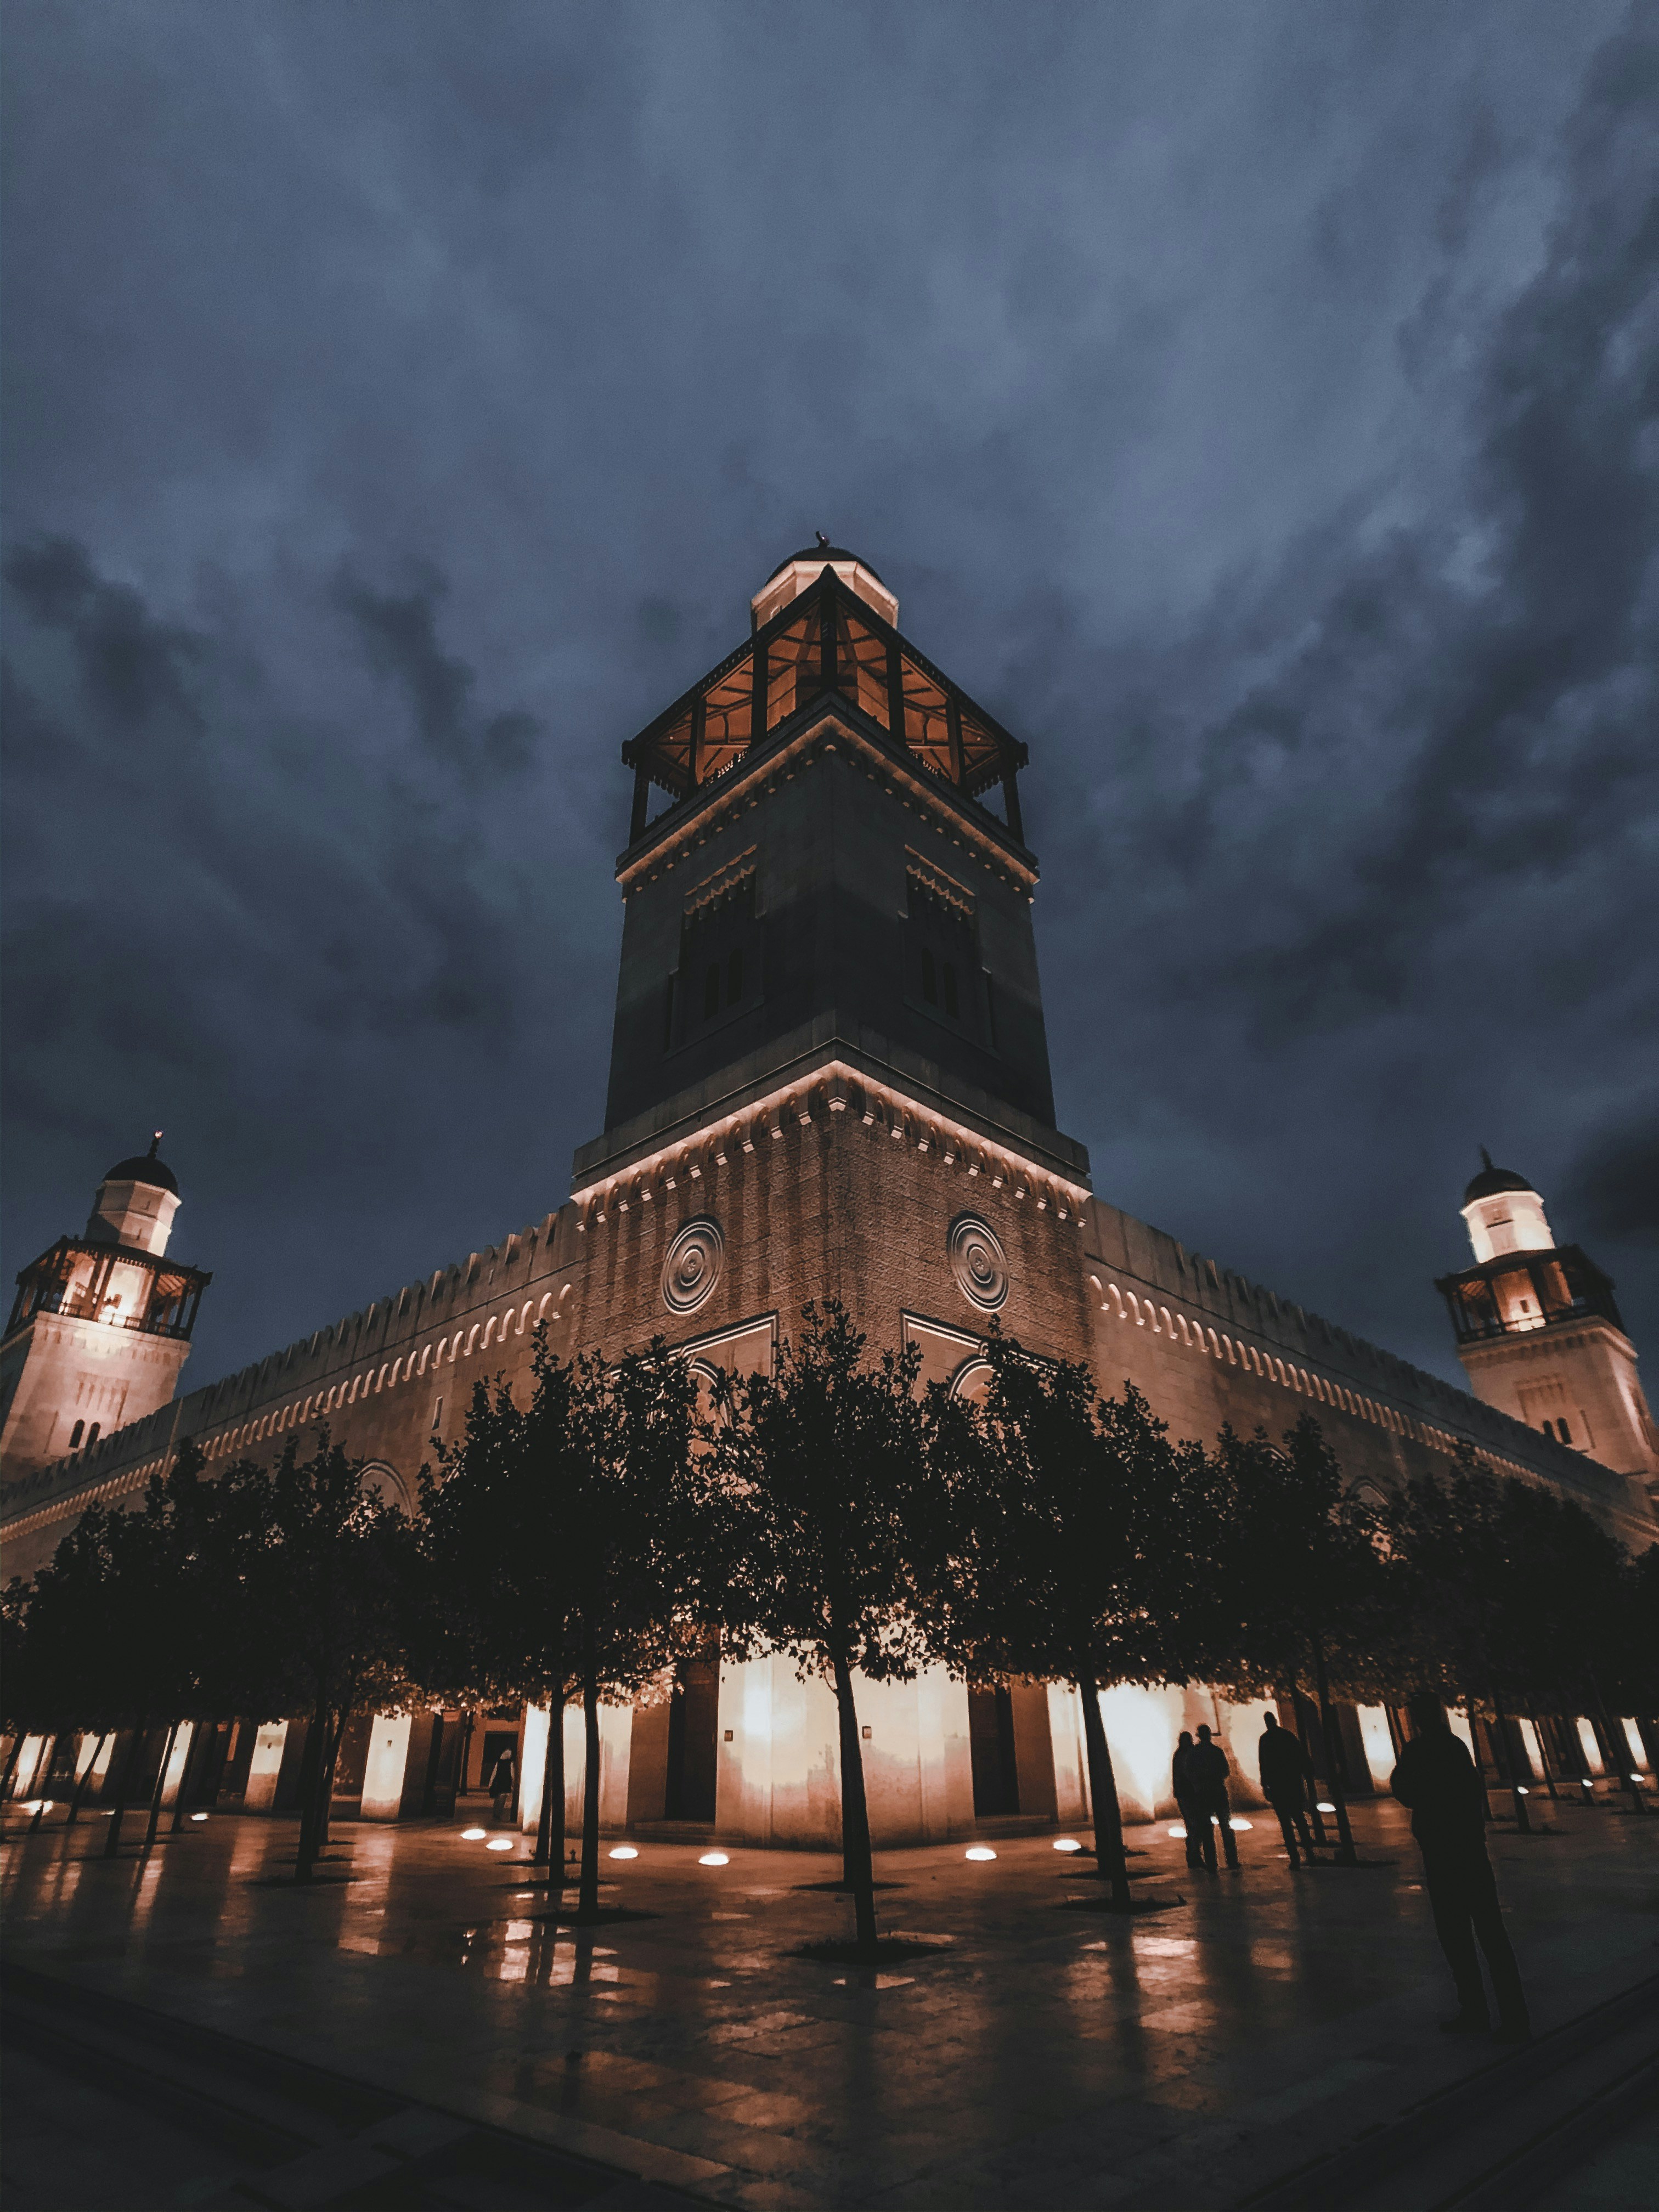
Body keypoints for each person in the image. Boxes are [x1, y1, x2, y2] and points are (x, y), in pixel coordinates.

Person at [1390, 1692, 1530, 2043]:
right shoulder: (1456, 1747)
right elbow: (1471, 1789)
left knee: (1457, 1938)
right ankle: (1515, 2016)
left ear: (1418, 1717)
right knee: (1492, 1933)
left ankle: (1475, 2011)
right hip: (1469, 1849)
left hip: (1441, 1852)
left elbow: (1403, 1789)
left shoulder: (1418, 1751)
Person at [1259, 1711, 1318, 1869]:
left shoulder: (1267, 1740)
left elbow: (1264, 1765)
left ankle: (1297, 1857)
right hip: (1290, 1785)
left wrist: (1266, 1785)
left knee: (1289, 1823)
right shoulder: (1285, 1736)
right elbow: (1299, 1756)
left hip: (1281, 1786)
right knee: (1297, 1821)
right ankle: (1306, 1854)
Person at [1189, 1723, 1240, 1871]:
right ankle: (1232, 1861)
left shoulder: (1195, 1754)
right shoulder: (1217, 1752)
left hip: (1203, 1794)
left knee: (1207, 1830)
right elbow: (1226, 1771)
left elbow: (1191, 1773)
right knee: (1226, 1827)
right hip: (1218, 1792)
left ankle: (1212, 1863)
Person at [1171, 1731, 1203, 1869]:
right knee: (1195, 1826)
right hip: (1190, 1794)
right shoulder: (1188, 1755)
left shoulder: (1179, 1755)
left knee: (1192, 1826)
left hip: (1185, 1795)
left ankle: (1193, 1856)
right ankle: (1195, 1856)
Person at [487, 1743, 518, 1825]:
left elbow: (494, 1772)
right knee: (502, 1799)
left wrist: (491, 1783)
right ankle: (498, 1814)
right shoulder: (510, 1763)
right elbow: (512, 1774)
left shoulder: (499, 1762)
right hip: (506, 1783)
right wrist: (514, 1783)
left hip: (498, 1783)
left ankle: (495, 1814)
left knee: (497, 1799)